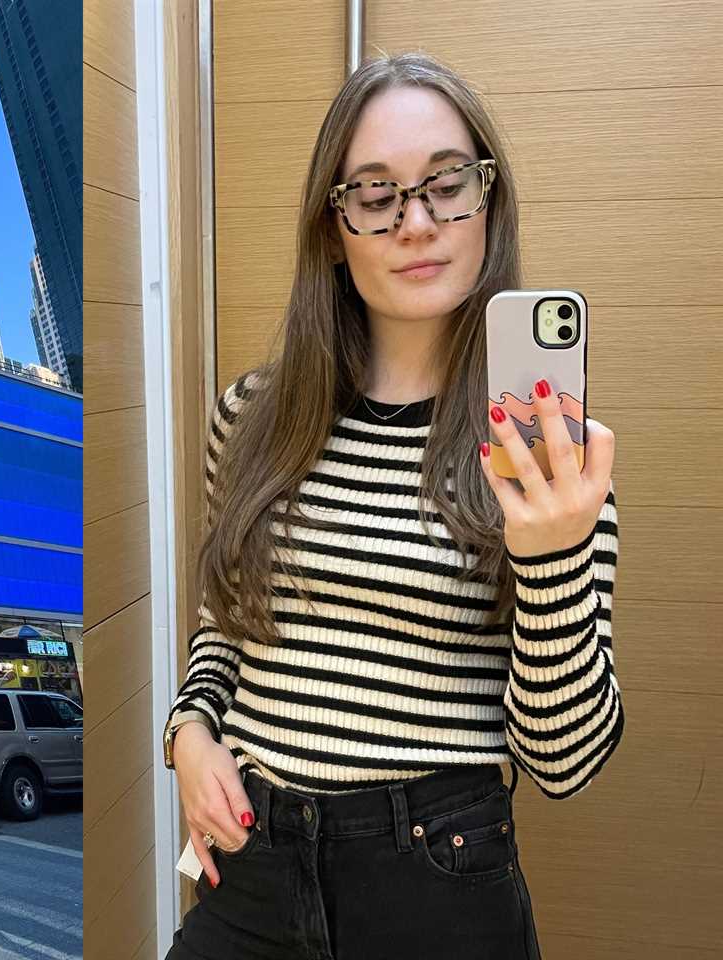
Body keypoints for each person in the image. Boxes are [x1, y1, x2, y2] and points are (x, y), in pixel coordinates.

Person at [162, 53, 620, 960]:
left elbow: (564, 763)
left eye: (446, 183)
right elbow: (226, 624)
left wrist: (553, 556)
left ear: (488, 201)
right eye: (376, 195)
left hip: (438, 878)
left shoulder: (549, 450)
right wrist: (189, 734)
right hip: (250, 861)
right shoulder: (252, 417)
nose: (416, 221)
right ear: (334, 229)